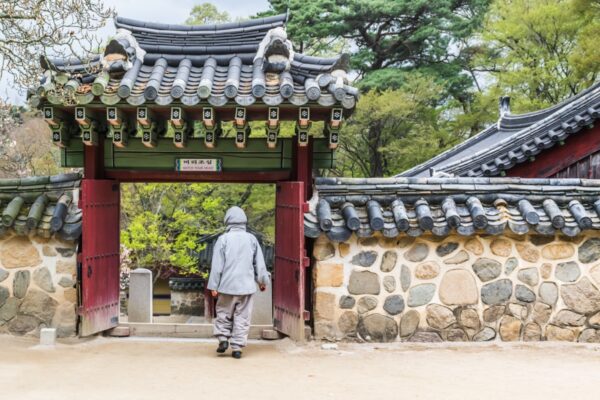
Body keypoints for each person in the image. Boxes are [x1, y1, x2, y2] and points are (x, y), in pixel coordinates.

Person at [207, 206, 270, 359]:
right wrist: (262, 281)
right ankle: (237, 347)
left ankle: (223, 339)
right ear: (244, 221)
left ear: (227, 221)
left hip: (227, 286)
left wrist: (213, 285)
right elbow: (259, 263)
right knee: (243, 317)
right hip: (246, 287)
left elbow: (217, 266)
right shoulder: (251, 239)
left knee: (223, 312)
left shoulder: (223, 239)